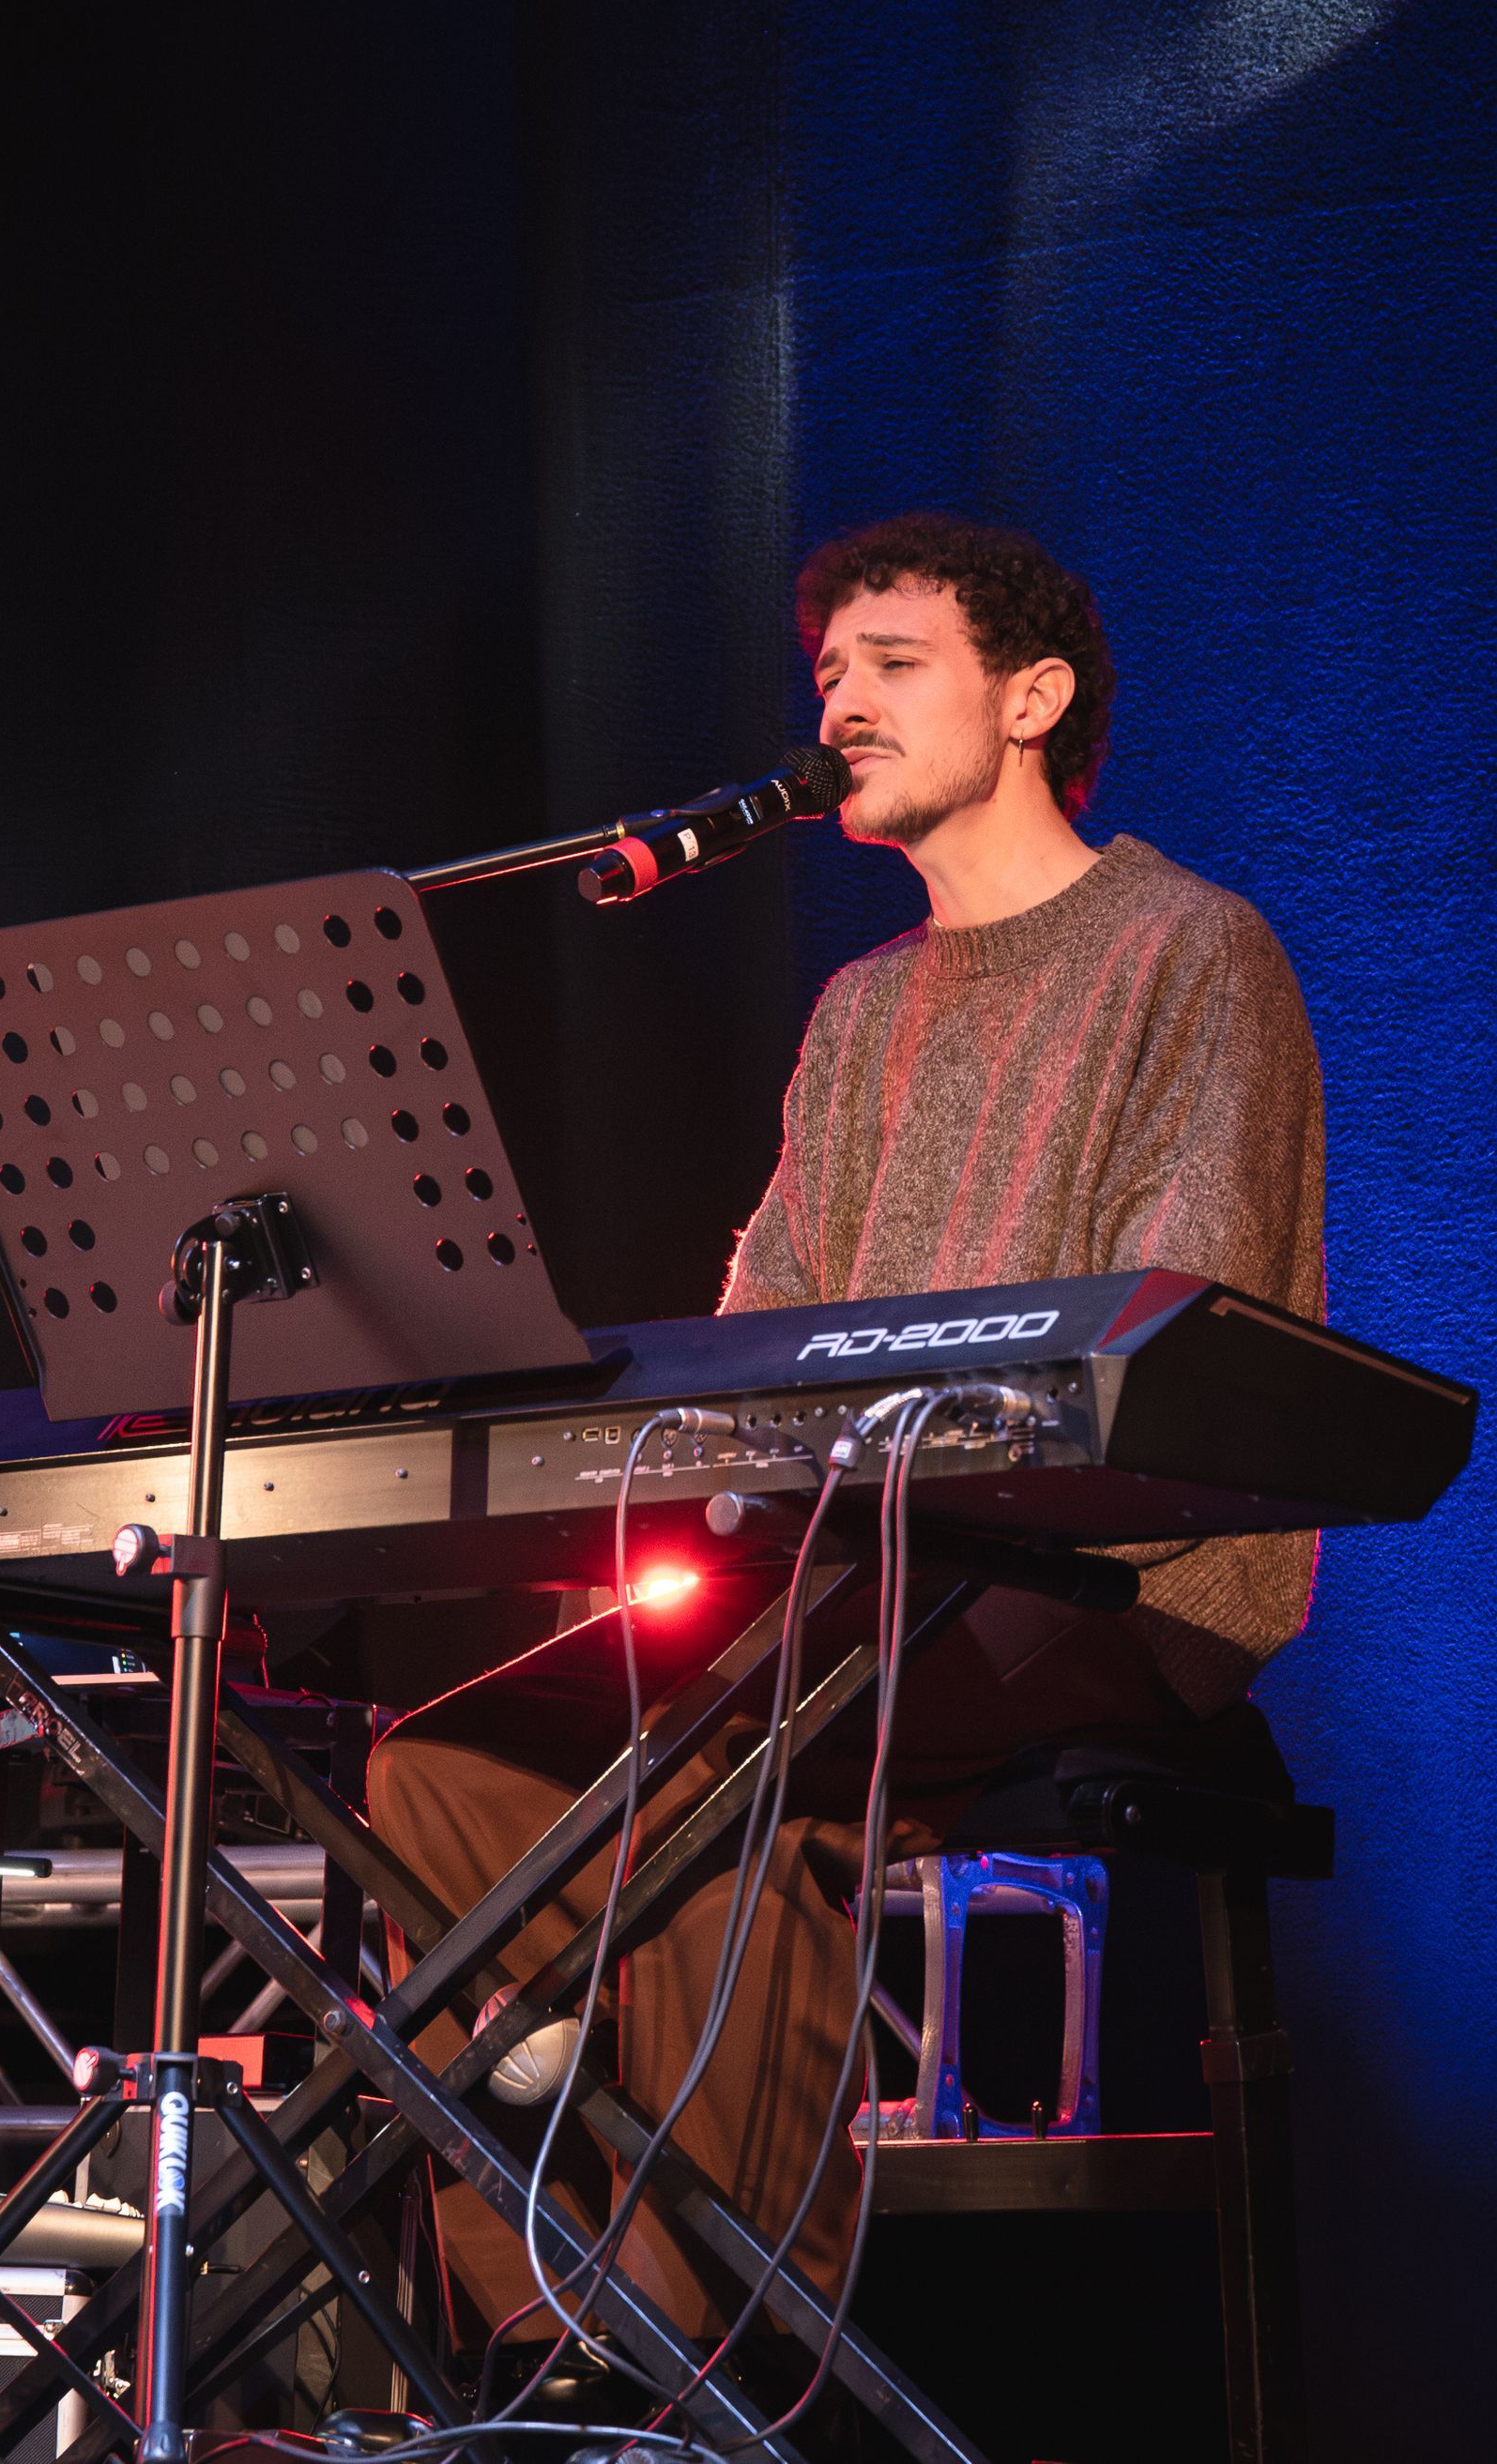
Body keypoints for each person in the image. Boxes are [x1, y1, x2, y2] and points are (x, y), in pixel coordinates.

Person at [366, 510, 1325, 2352]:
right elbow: (761, 1333)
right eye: (828, 674)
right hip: (868, 1576)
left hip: (1115, 1576)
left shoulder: (1197, 954)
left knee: (758, 1749)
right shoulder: (859, 1010)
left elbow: (1188, 1359)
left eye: (894, 664)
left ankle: (715, 2349)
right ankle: (580, 2338)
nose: (843, 703)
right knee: (449, 1770)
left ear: (1031, 695)